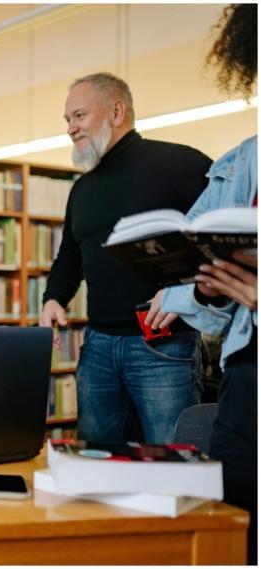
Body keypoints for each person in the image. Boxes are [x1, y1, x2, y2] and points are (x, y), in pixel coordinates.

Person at [38, 72, 213, 444]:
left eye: (79, 116)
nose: (70, 128)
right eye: (67, 120)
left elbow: (228, 238)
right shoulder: (81, 189)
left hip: (165, 345)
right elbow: (70, 257)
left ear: (116, 111)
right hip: (98, 346)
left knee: (174, 466)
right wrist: (52, 298)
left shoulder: (179, 163)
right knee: (96, 463)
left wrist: (191, 292)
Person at [158, 4, 257, 563]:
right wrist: (204, 288)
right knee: (234, 526)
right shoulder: (239, 164)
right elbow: (205, 292)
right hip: (247, 370)